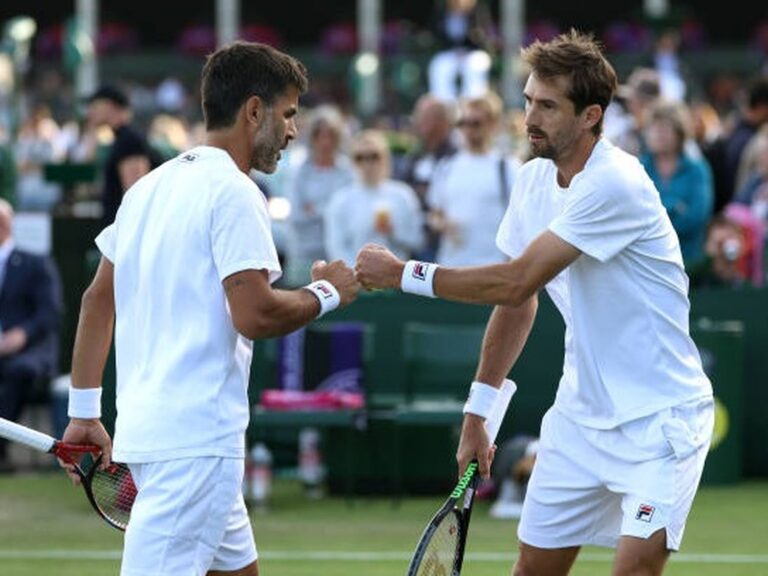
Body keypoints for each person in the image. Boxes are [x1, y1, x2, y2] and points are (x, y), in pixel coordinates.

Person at [356, 29, 714, 576]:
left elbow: (515, 282)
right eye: (527, 101)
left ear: (591, 115)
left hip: (659, 421)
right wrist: (479, 413)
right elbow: (519, 306)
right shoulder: (531, 182)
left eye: (548, 105)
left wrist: (403, 273)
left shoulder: (617, 183)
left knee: (634, 571)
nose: (530, 117)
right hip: (577, 419)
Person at [59, 41, 360, 576]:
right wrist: (329, 293)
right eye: (288, 114)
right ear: (253, 111)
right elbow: (256, 314)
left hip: (163, 440)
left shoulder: (148, 188)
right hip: (194, 449)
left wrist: (84, 411)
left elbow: (96, 299)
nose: (293, 131)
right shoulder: (237, 192)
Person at [0, 199, 63, 472]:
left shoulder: (36, 264)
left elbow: (50, 313)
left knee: (19, 371)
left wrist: (21, 336)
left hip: (30, 351)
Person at [426, 90, 520, 266]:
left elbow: (520, 219)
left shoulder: (507, 166)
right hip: (450, 266)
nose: (468, 130)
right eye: (463, 123)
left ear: (493, 125)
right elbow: (434, 214)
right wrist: (442, 224)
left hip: (493, 267)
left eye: (475, 123)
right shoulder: (447, 166)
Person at [324, 129, 424, 266]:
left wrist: (394, 231)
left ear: (385, 158)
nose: (367, 163)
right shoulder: (341, 199)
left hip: (396, 280)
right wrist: (359, 274)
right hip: (357, 281)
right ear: (353, 161)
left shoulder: (403, 195)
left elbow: (418, 241)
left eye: (374, 156)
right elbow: (336, 247)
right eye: (360, 157)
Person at [283, 104, 355, 285]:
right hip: (305, 257)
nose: (325, 142)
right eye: (319, 135)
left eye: (330, 135)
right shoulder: (299, 172)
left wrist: (315, 210)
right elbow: (297, 216)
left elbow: (351, 215)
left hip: (342, 257)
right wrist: (332, 211)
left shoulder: (348, 171)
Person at [640, 100, 714, 268]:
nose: (658, 134)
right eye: (653, 128)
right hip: (648, 262)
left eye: (664, 128)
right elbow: (634, 215)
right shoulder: (638, 168)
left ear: (679, 133)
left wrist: (656, 221)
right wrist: (676, 207)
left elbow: (697, 217)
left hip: (689, 261)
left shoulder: (697, 169)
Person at [83, 84, 161, 225]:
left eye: (94, 106)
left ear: (109, 106)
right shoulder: (122, 138)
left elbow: (135, 197)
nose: (89, 112)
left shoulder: (129, 140)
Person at [396, 93, 459, 260]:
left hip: (447, 240)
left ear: (445, 122)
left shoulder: (457, 157)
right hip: (416, 238)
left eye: (426, 118)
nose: (418, 123)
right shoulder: (415, 155)